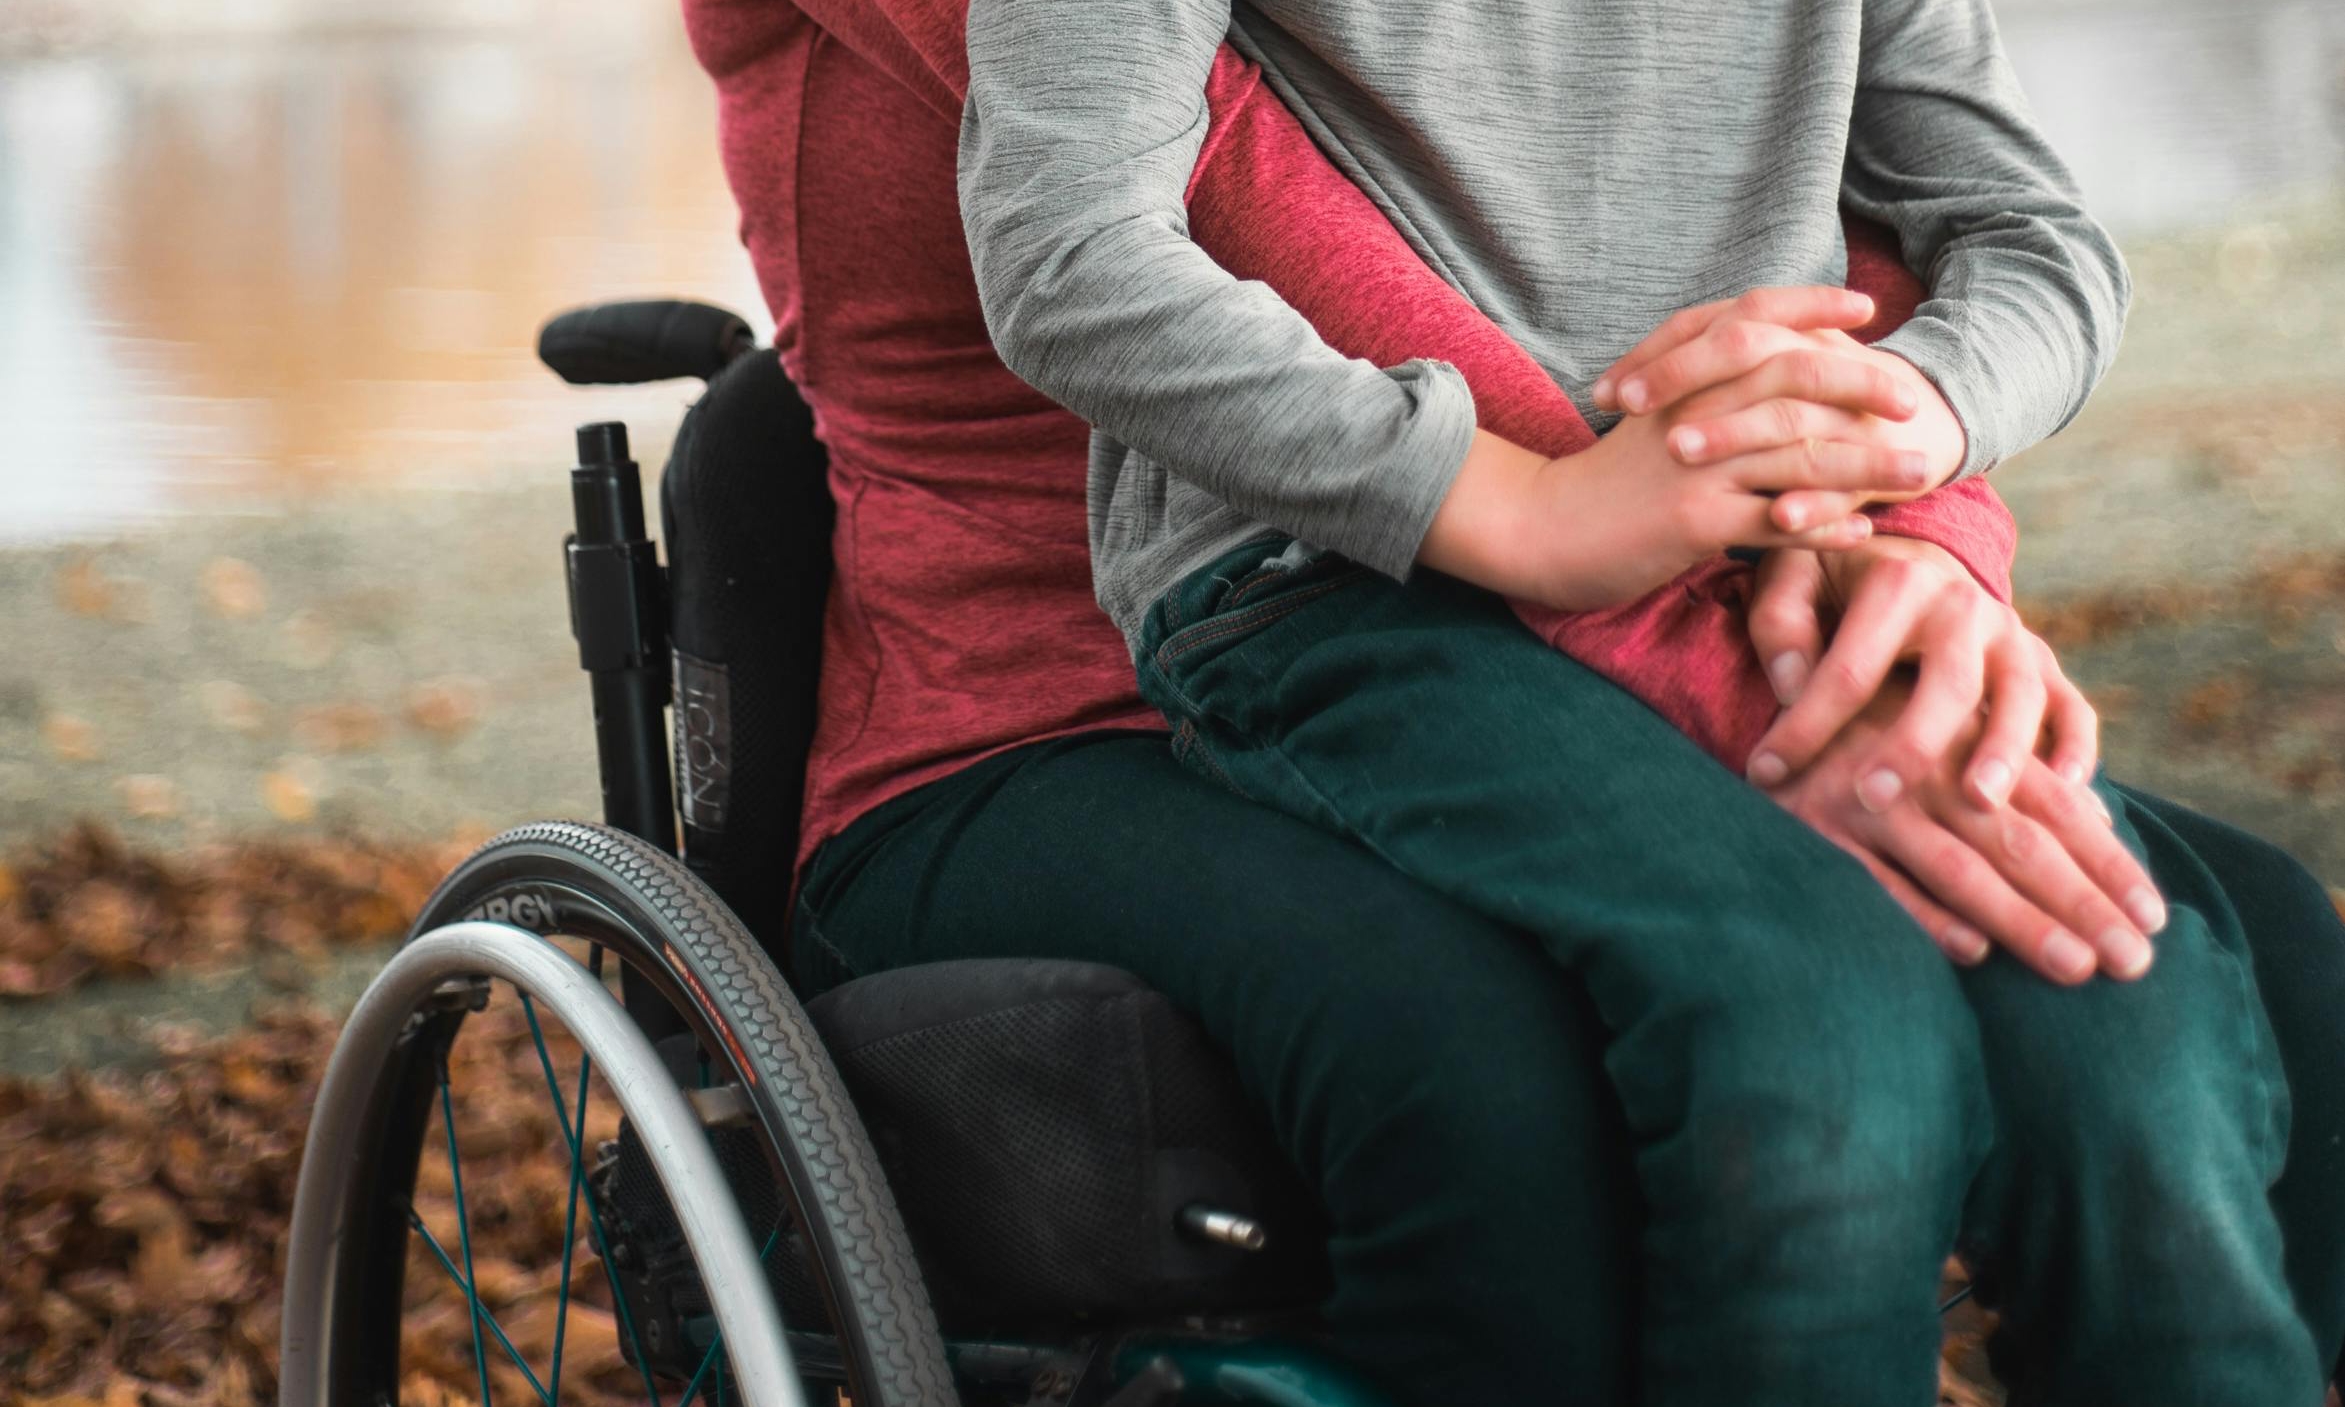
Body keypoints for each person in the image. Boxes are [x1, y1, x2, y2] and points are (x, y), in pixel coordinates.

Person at [679, 0, 2345, 1402]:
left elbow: (1928, 246)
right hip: (1130, 669)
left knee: (2183, 948)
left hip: (1636, 568)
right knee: (1662, 1042)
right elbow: (1270, 237)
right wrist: (1737, 648)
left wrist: (1913, 530)